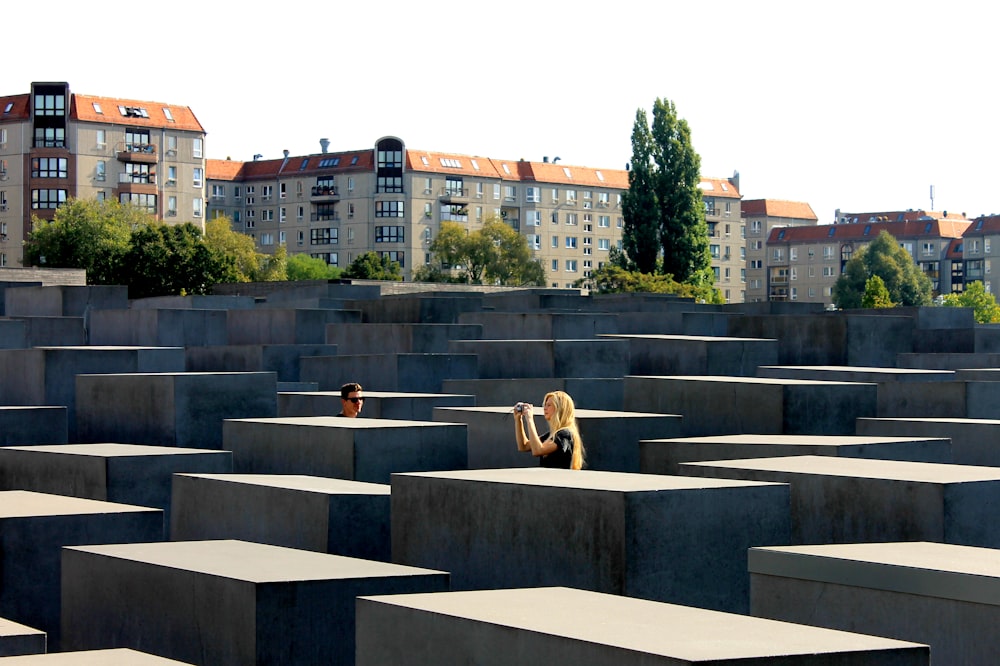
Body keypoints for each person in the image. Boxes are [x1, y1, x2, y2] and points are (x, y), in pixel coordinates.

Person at [513, 390, 585, 469]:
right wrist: (518, 419)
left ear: (560, 409)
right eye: (545, 405)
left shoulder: (565, 434)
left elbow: (538, 450)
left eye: (549, 405)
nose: (545, 408)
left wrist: (530, 419)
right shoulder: (552, 434)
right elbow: (523, 446)